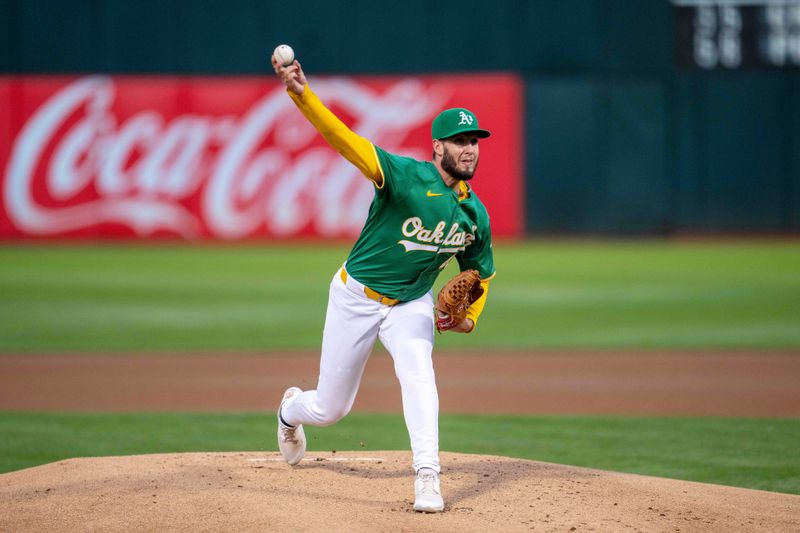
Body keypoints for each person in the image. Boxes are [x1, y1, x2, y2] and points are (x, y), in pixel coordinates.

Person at [271, 51, 495, 513]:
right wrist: (303, 96)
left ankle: (428, 477)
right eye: (459, 140)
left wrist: (468, 317)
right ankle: (289, 410)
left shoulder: (476, 214)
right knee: (331, 409)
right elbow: (346, 141)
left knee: (419, 375)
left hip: (411, 303)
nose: (469, 147)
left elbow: (481, 273)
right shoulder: (403, 177)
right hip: (356, 296)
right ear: (437, 148)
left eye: (474, 140)